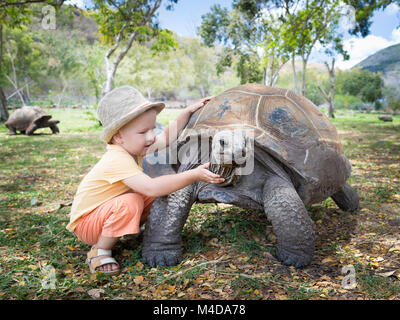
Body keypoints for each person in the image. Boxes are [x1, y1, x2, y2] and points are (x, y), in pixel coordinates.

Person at [66, 85, 224, 275]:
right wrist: (193, 174)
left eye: (152, 129)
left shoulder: (133, 147)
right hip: (86, 224)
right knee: (135, 199)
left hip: (103, 213)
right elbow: (151, 188)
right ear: (118, 136)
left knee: (149, 195)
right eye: (143, 132)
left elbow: (165, 138)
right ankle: (99, 250)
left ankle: (125, 230)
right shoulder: (117, 159)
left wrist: (187, 111)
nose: (150, 137)